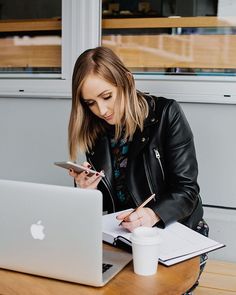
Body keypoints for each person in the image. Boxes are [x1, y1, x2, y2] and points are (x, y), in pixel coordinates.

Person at [68, 46, 209, 294]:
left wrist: (153, 215)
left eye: (107, 96)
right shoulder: (96, 131)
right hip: (123, 240)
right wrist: (85, 191)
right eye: (91, 103)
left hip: (174, 234)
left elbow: (187, 190)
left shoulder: (166, 114)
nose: (102, 111)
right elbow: (106, 205)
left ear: (127, 81)